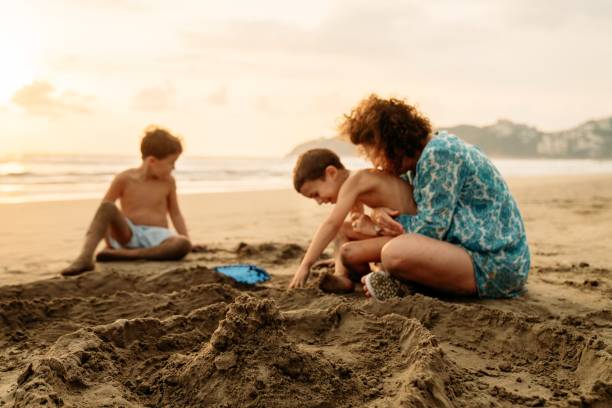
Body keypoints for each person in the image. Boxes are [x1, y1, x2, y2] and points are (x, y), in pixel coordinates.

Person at [340, 94, 531, 299]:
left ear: (392, 142)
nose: (375, 163)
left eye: (374, 152)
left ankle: (405, 285)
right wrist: (378, 213)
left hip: (494, 262)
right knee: (368, 239)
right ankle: (400, 281)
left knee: (393, 253)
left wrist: (377, 229)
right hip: (465, 253)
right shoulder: (418, 162)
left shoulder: (440, 154)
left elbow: (430, 230)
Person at [61, 125, 192, 276]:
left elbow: (175, 213)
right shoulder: (124, 179)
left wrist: (187, 239)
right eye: (171, 163)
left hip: (158, 238)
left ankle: (125, 255)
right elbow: (104, 213)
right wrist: (108, 237)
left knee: (182, 244)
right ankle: (84, 258)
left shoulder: (168, 182)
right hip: (128, 233)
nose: (173, 168)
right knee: (107, 207)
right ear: (152, 161)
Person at [288, 148, 416, 293]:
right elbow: (352, 228)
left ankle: (358, 275)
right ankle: (342, 274)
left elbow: (331, 224)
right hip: (398, 234)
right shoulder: (354, 185)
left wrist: (305, 265)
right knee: (344, 232)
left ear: (331, 173)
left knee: (347, 251)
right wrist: (337, 260)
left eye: (316, 194)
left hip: (410, 238)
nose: (319, 201)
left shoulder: (355, 181)